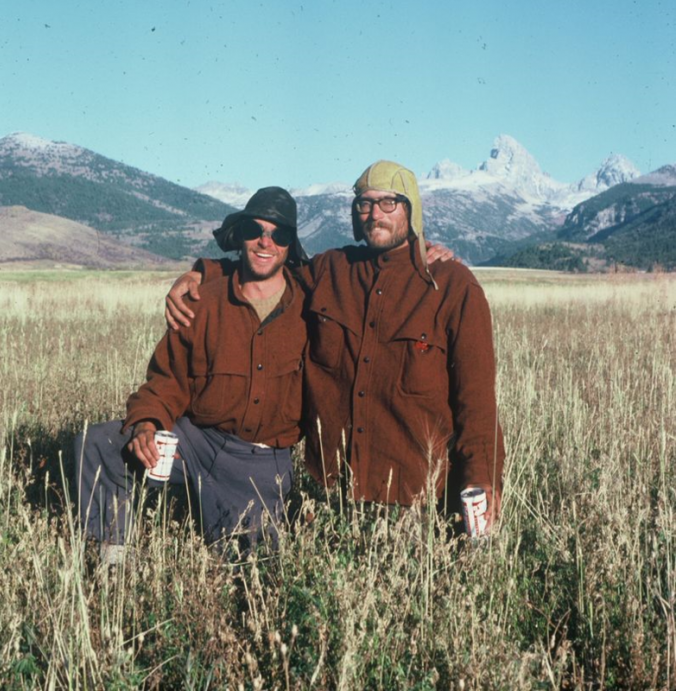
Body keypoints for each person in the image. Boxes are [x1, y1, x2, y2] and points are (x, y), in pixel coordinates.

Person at [167, 162, 504, 532]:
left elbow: (477, 400)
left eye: (388, 203)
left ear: (412, 210)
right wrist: (204, 272)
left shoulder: (452, 286)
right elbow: (266, 271)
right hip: (329, 502)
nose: (374, 214)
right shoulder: (331, 270)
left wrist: (481, 477)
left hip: (415, 508)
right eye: (364, 204)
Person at [75, 187, 308, 560]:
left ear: (290, 246)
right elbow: (167, 379)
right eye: (255, 230)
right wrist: (147, 425)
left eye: (278, 234)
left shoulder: (309, 307)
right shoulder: (203, 302)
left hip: (261, 463)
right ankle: (112, 561)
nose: (265, 242)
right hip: (195, 442)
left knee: (255, 572)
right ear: (240, 237)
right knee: (100, 443)